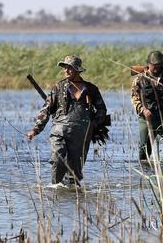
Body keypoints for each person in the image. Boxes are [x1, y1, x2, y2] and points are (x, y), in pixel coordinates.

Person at [26, 55, 107, 186]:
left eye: (70, 68)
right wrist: (35, 130)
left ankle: (72, 197)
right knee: (57, 160)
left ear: (77, 70)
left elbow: (102, 110)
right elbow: (45, 110)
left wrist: (92, 125)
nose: (66, 71)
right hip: (59, 131)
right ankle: (55, 192)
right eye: (65, 68)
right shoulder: (58, 87)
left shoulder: (91, 89)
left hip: (81, 135)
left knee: (75, 172)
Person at [130, 50, 163, 162]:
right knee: (144, 147)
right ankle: (144, 169)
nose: (156, 68)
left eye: (159, 65)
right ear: (149, 64)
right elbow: (134, 98)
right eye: (154, 65)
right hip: (147, 117)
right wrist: (143, 110)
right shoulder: (140, 79)